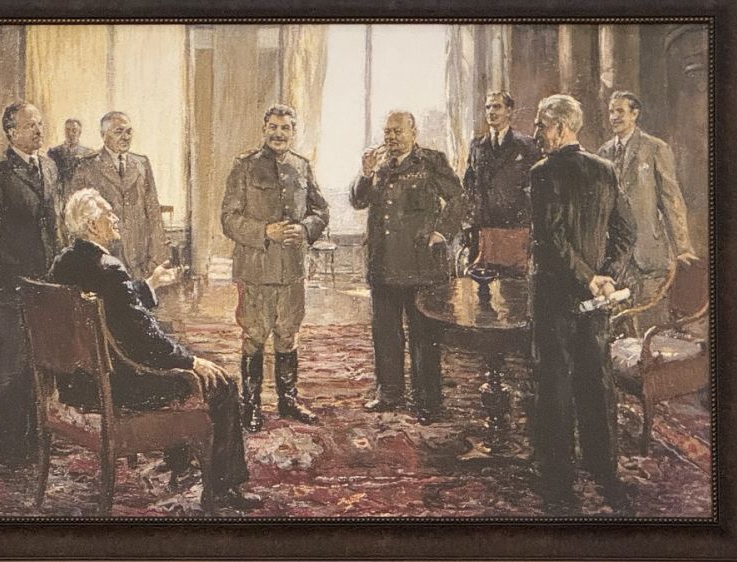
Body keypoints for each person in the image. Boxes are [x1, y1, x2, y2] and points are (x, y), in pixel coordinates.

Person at [48, 188, 261, 510]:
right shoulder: (109, 268)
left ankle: (180, 463)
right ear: (92, 225)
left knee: (176, 360)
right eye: (108, 213)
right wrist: (191, 362)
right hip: (118, 387)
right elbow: (144, 338)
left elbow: (115, 306)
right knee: (221, 384)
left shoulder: (64, 262)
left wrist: (150, 284)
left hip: (79, 383)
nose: (115, 217)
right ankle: (224, 488)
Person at [529, 94, 636, 511]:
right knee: (596, 377)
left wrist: (589, 279)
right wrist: (604, 277)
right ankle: (603, 467)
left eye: (541, 125)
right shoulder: (604, 169)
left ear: (560, 128)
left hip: (555, 295)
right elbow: (626, 232)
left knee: (554, 381)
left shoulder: (543, 172)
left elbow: (551, 240)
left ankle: (558, 478)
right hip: (596, 299)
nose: (537, 133)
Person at [349, 110, 466, 425]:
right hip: (384, 264)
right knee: (386, 334)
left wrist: (442, 232)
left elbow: (459, 199)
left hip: (420, 265)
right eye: (387, 132)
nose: (391, 137)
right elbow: (358, 201)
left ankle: (427, 400)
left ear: (414, 132)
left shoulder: (431, 161)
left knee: (423, 335)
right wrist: (365, 174)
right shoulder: (379, 166)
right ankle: (389, 394)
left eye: (398, 131)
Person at [220, 104, 329, 432]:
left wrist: (306, 229)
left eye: (285, 128)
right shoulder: (244, 166)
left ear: (293, 132)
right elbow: (228, 219)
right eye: (273, 127)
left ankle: (288, 400)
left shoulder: (301, 166)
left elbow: (321, 211)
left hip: (292, 270)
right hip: (256, 270)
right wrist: (265, 231)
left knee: (288, 334)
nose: (279, 134)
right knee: (254, 336)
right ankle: (251, 405)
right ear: (264, 129)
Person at [0, 101, 62, 466]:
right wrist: (6, 275)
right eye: (30, 125)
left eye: (40, 123)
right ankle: (9, 443)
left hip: (46, 286)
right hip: (11, 287)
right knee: (11, 364)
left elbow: (53, 227)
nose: (39, 130)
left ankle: (35, 437)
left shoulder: (49, 167)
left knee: (40, 362)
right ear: (11, 132)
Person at [598, 91, 697, 334]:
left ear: (634, 114)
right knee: (619, 327)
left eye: (620, 111)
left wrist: (682, 247)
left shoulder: (654, 148)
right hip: (616, 256)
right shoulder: (603, 153)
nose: (614, 117)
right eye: (611, 112)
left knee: (651, 325)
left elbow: (672, 200)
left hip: (648, 251)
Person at [68, 111, 168, 280]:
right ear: (103, 135)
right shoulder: (87, 166)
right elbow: (76, 218)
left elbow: (154, 213)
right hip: (105, 261)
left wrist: (156, 260)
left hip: (141, 262)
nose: (125, 137)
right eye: (118, 132)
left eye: (128, 132)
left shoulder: (141, 163)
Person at [462, 91, 542, 272]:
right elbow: (469, 186)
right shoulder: (477, 145)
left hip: (515, 230)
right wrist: (469, 223)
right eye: (488, 107)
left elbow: (535, 188)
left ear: (509, 111)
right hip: (484, 229)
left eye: (497, 107)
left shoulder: (526, 145)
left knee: (513, 283)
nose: (491, 112)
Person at [47, 118, 94, 184]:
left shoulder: (88, 153)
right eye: (67, 130)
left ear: (79, 132)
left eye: (74, 130)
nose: (70, 133)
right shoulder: (54, 152)